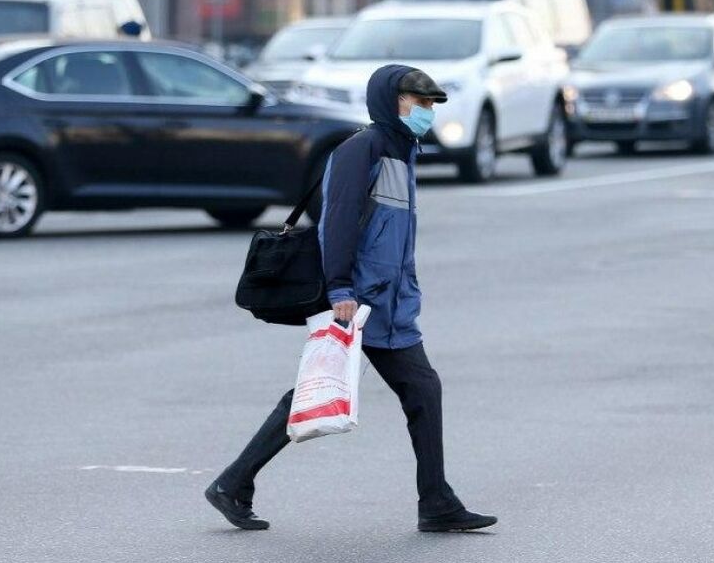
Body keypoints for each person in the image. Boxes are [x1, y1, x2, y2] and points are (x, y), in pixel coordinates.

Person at [206, 64, 497, 533]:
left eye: (430, 105)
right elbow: (336, 222)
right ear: (390, 100)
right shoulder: (362, 149)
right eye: (418, 102)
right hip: (358, 299)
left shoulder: (403, 151)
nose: (426, 112)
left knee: (403, 389)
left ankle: (234, 483)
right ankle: (436, 502)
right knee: (350, 390)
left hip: (389, 299)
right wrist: (340, 288)